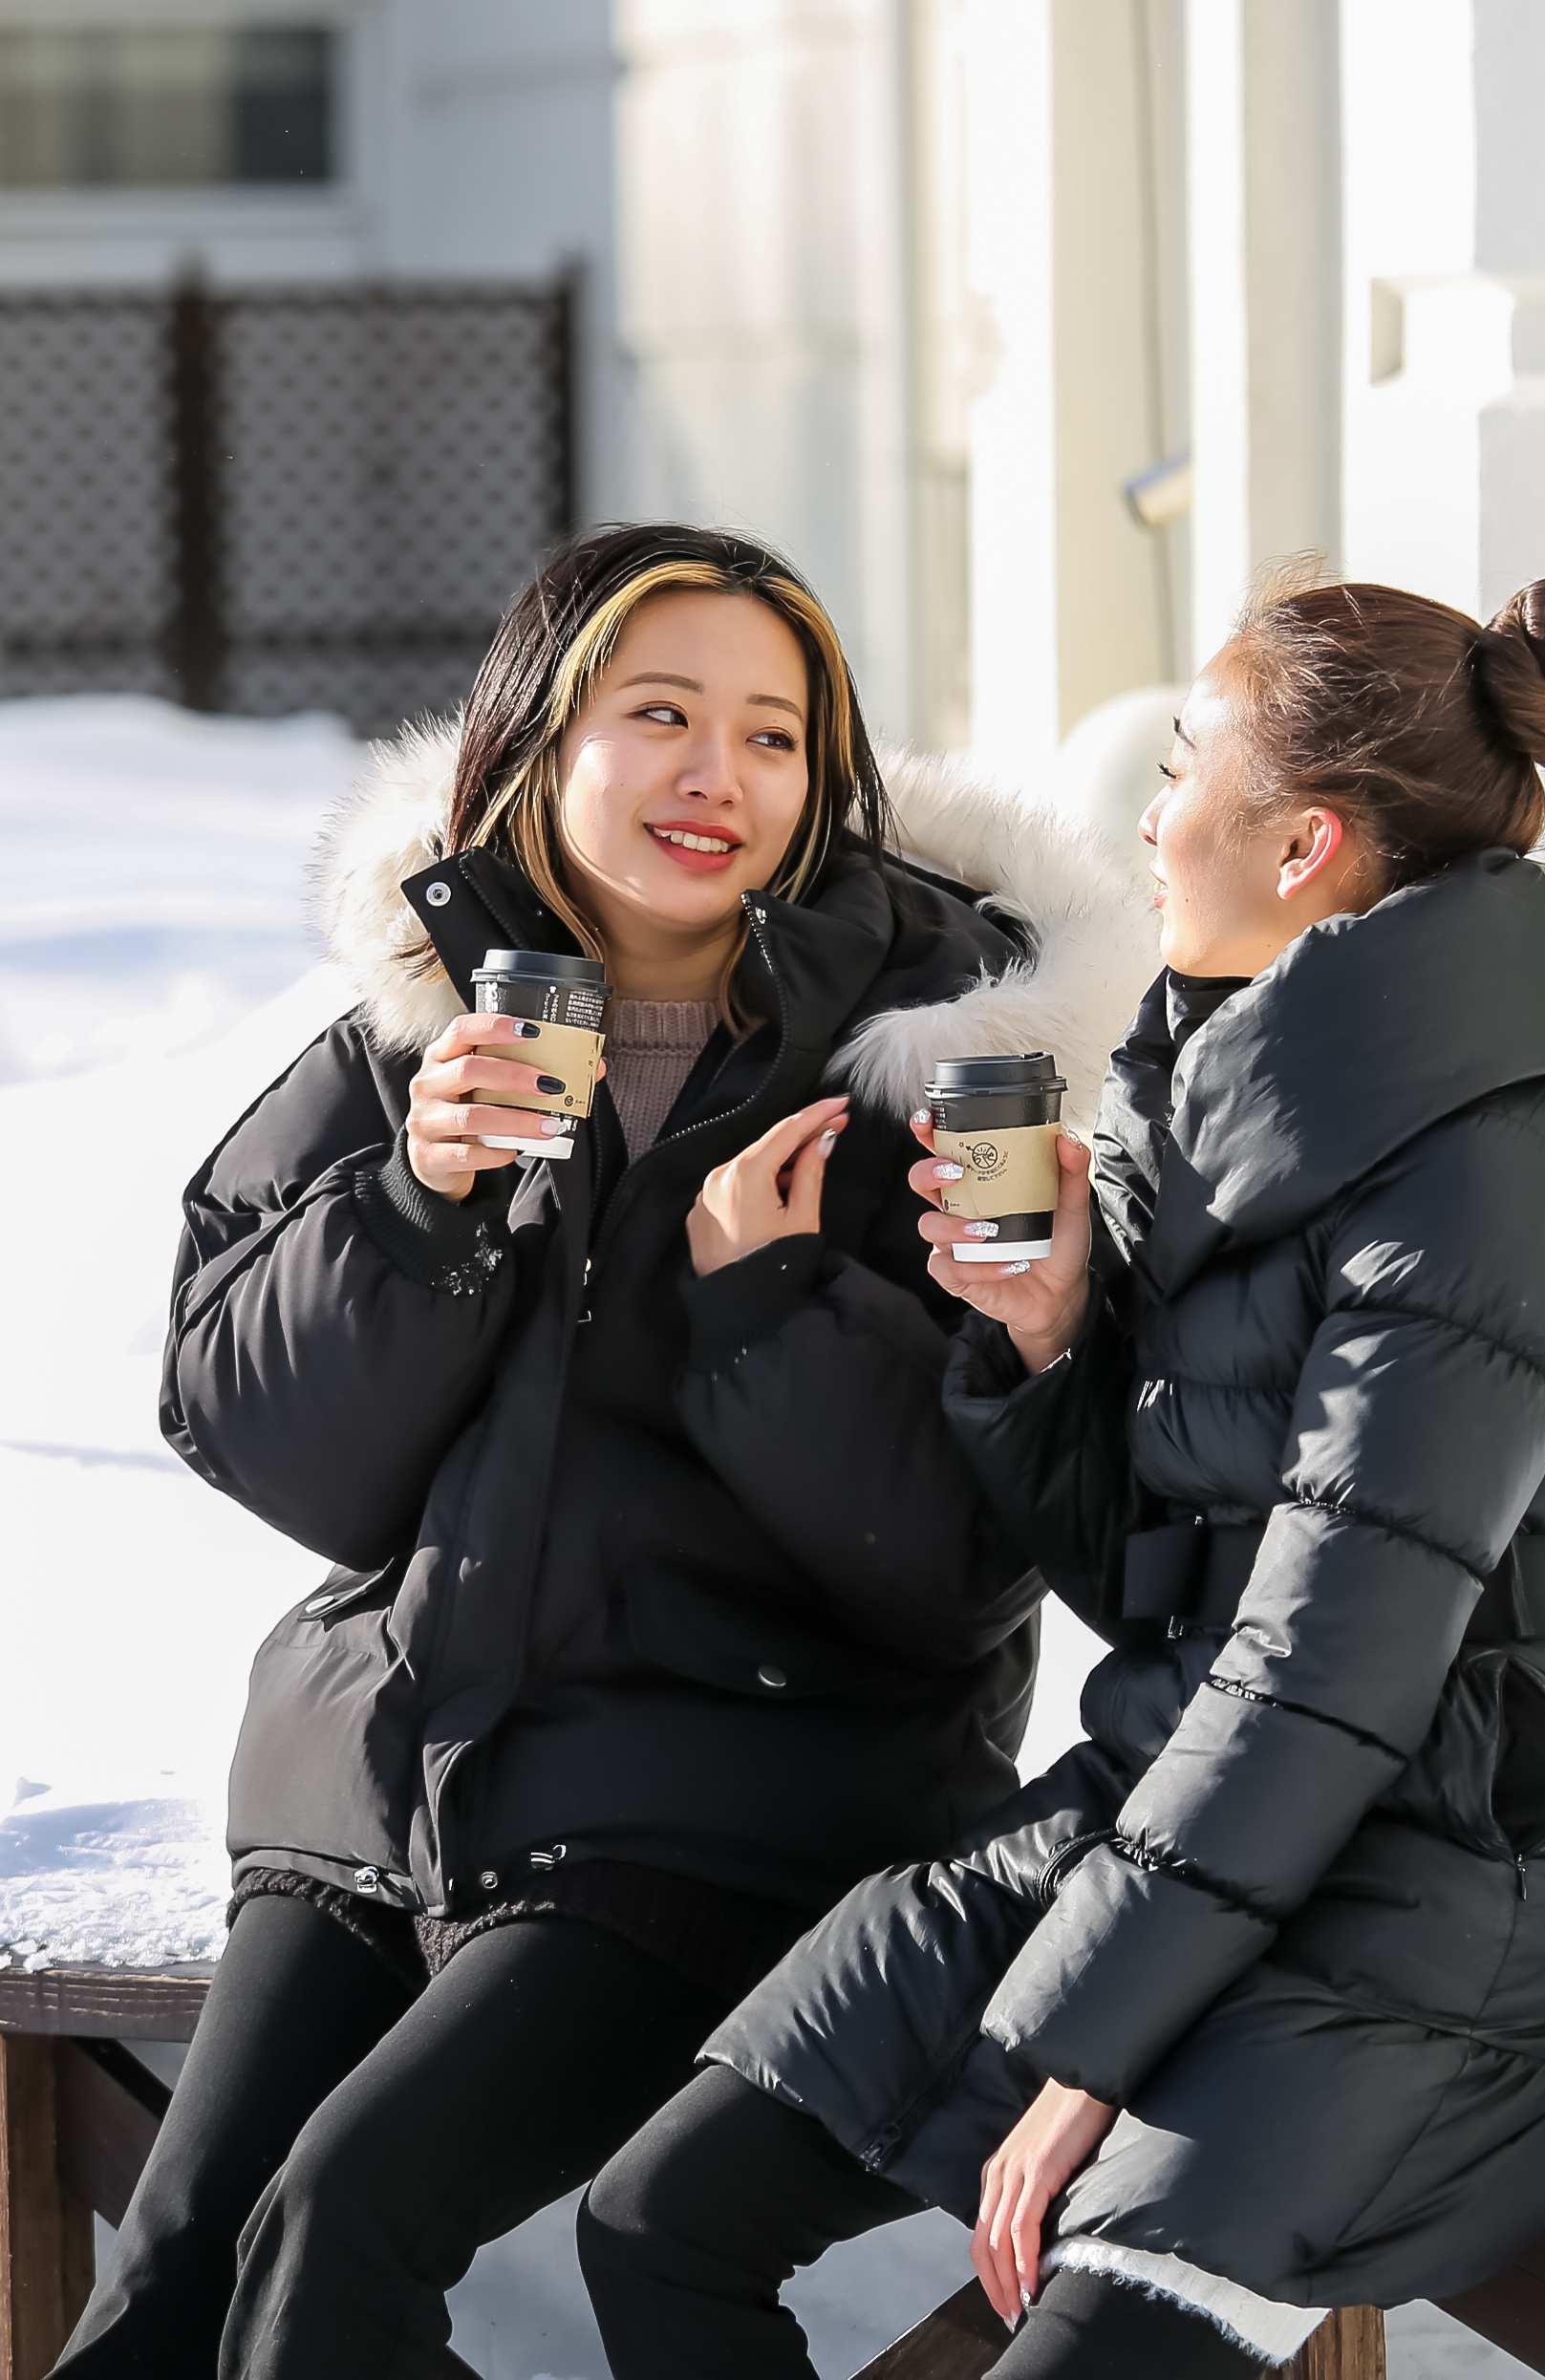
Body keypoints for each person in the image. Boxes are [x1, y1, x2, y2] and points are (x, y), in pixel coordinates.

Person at [60, 525, 1150, 2375]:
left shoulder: (938, 1072)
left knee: (339, 2234)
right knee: (170, 2282)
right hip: (383, 1782)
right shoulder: (410, 1044)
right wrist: (420, 1205)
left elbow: (960, 1564)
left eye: (774, 732)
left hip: (732, 1796)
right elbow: (270, 1448)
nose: (717, 773)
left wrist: (767, 1300)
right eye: (659, 713)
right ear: (533, 744)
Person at [578, 572, 1545, 2378]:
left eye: (1179, 769)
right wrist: (1049, 1341)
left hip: (1433, 1902)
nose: (1146, 819)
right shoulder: (1227, 1096)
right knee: (664, 2223)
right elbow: (1158, 1585)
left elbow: (1336, 1659)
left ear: (1306, 843)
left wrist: (1089, 2044)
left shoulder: (1493, 1175)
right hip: (1183, 1818)